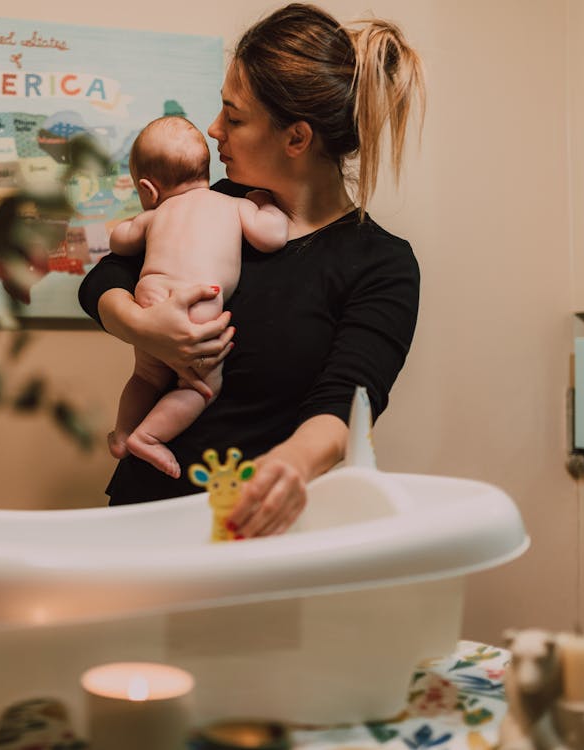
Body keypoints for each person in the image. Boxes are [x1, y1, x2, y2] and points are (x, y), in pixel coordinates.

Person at [77, 3, 426, 537]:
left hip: (255, 524)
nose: (214, 129)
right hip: (143, 513)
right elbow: (101, 280)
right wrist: (140, 324)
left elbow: (346, 405)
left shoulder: (380, 265)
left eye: (234, 117)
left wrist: (293, 463)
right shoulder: (215, 204)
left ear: (297, 138)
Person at [108, 116, 289, 480]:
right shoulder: (230, 204)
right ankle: (151, 436)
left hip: (151, 296)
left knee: (145, 375)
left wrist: (141, 220)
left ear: (148, 188)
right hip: (199, 305)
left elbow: (119, 241)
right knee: (199, 385)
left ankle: (124, 432)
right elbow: (272, 237)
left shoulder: (156, 214)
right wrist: (265, 204)